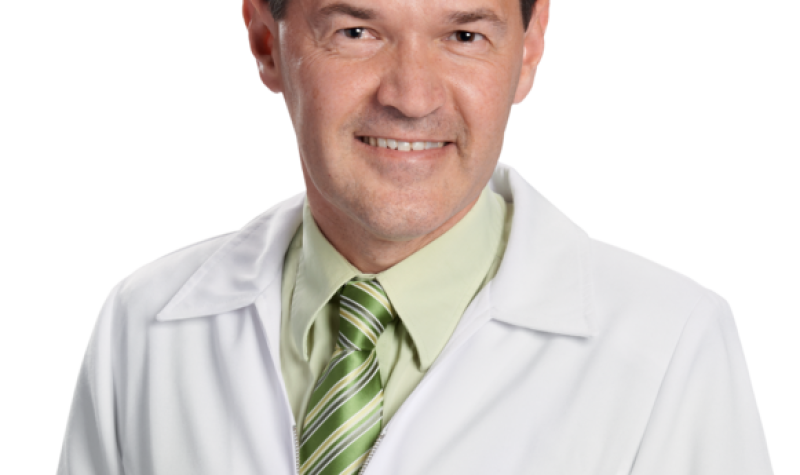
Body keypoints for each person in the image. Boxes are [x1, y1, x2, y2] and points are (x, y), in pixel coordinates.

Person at [57, 0, 773, 473]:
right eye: (356, 32)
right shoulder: (143, 325)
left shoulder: (671, 347)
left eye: (464, 36)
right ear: (265, 42)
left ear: (528, 50)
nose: (411, 95)